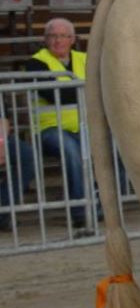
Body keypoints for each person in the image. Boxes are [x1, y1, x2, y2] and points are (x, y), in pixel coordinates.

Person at [25, 17, 91, 231]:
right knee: (72, 151)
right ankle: (81, 212)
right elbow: (53, 95)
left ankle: (104, 203)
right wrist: (85, 88)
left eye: (63, 36)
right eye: (53, 36)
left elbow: (103, 84)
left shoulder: (85, 58)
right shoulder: (35, 62)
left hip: (84, 126)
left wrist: (77, 89)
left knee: (116, 145)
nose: (58, 41)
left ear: (72, 39)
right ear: (45, 39)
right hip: (48, 130)